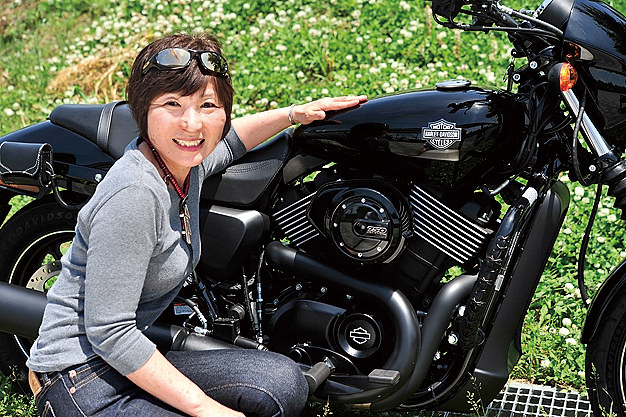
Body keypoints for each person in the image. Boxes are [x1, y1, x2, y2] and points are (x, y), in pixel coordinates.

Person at [26, 32, 367, 417]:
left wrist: (293, 115)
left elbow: (234, 142)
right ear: (143, 108)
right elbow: (110, 333)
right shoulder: (135, 193)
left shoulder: (183, 166)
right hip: (79, 377)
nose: (192, 124)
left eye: (207, 105)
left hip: (128, 360)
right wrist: (207, 409)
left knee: (282, 382)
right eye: (172, 104)